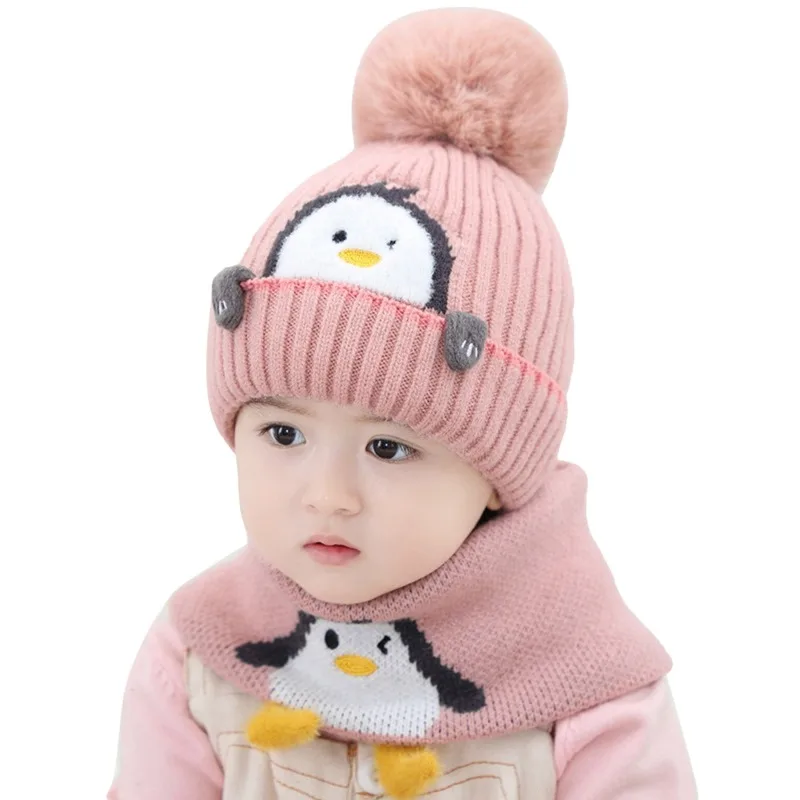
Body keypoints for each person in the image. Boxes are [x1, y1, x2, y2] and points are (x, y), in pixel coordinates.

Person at [108, 8, 697, 798]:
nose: (328, 495)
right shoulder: (201, 656)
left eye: (389, 447)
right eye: (282, 432)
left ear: (500, 474)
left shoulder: (588, 689)